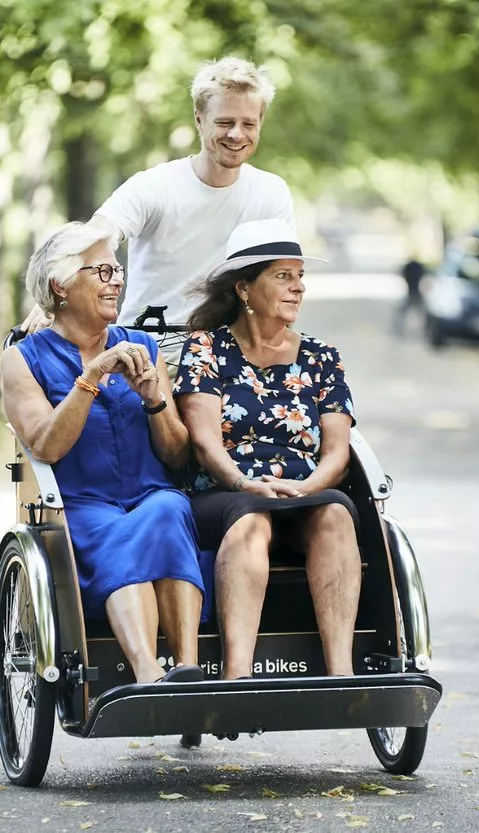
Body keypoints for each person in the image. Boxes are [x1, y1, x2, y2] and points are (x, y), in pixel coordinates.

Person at [0, 221, 206, 684]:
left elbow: (177, 456)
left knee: (169, 508)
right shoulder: (23, 359)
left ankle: (187, 670)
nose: (117, 281)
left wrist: (154, 398)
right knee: (115, 531)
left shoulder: (144, 347)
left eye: (118, 271)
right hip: (81, 505)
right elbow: (46, 445)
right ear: (61, 285)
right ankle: (148, 673)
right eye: (103, 271)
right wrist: (90, 377)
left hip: (150, 494)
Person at [173, 219, 362, 680]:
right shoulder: (207, 348)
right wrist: (244, 484)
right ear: (243, 288)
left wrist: (307, 487)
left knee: (336, 514)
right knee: (251, 522)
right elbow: (204, 441)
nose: (298, 287)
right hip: (225, 490)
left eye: (300, 276)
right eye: (283, 276)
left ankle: (342, 677)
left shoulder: (321, 356)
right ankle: (236, 678)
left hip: (303, 490)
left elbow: (338, 452)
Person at [22, 56, 295, 342]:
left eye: (248, 124)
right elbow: (97, 236)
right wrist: (57, 294)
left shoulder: (271, 193)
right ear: (199, 119)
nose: (237, 134)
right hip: (149, 351)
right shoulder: (154, 186)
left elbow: (284, 278)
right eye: (225, 122)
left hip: (233, 354)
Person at [395, 256, 427, 335]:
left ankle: (399, 331)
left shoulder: (409, 268)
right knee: (423, 313)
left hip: (413, 293)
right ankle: (399, 331)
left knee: (401, 312)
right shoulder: (418, 268)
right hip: (414, 293)